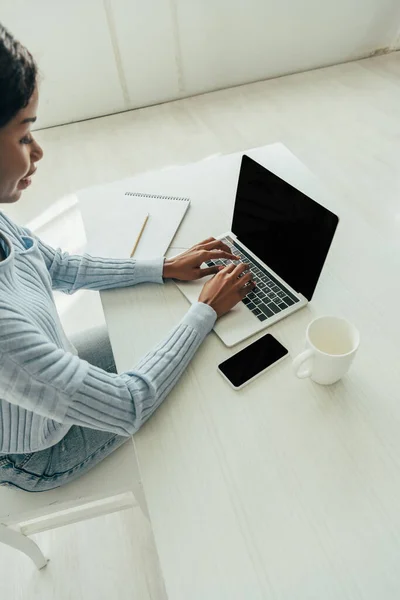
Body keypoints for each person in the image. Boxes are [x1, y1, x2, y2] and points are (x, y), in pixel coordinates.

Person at [0, 23, 255, 492]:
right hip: (39, 451)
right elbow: (127, 406)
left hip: (47, 379)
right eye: (22, 137)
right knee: (199, 381)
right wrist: (204, 311)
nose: (38, 151)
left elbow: (58, 266)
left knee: (169, 334)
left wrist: (162, 267)